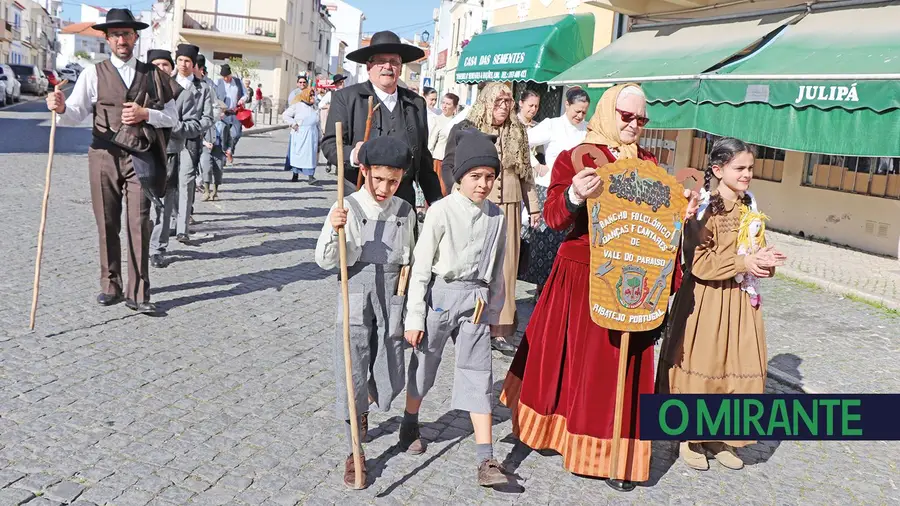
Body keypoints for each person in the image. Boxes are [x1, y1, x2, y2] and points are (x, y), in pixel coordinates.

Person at [500, 83, 700, 492]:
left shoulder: (648, 163)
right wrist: (574, 193)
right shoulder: (577, 157)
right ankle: (552, 432)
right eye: (627, 116)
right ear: (610, 113)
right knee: (570, 360)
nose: (635, 125)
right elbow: (554, 219)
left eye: (642, 119)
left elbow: (660, 226)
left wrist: (682, 211)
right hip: (580, 273)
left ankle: (610, 452)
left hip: (632, 278)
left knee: (615, 367)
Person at [657, 137, 786, 471]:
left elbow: (754, 248)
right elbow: (698, 262)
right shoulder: (704, 208)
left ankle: (718, 435)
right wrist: (745, 263)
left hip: (740, 302)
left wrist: (765, 260)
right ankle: (689, 437)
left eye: (750, 168)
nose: (747, 175)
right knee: (707, 363)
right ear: (717, 169)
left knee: (734, 366)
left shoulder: (750, 208)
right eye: (739, 168)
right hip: (707, 301)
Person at [46, 8, 178, 315]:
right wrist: (60, 106)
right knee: (106, 222)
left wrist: (147, 115)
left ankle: (139, 292)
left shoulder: (154, 75)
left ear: (136, 37)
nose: (122, 39)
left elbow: (172, 117)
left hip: (140, 158)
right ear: (108, 38)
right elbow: (75, 113)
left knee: (139, 223)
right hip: (103, 155)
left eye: (127, 34)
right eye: (116, 34)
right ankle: (111, 285)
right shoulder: (93, 73)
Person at [402, 129, 510, 487]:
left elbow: (497, 271)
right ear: (460, 177)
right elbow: (421, 267)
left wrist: (494, 313)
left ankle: (486, 459)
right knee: (425, 365)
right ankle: (410, 421)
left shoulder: (496, 217)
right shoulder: (441, 212)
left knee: (479, 373)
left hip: (475, 301)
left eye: (489, 177)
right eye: (475, 177)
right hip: (441, 298)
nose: (483, 184)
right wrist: (415, 316)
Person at [315, 136, 417, 489]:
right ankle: (354, 449)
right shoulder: (349, 207)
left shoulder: (405, 212)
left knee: (389, 363)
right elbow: (327, 261)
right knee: (352, 367)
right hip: (356, 293)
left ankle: (371, 399)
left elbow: (411, 262)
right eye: (378, 179)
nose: (384, 188)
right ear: (365, 172)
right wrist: (335, 228)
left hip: (391, 298)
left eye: (392, 181)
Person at [442, 82, 539, 353]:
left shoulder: (517, 130)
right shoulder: (465, 128)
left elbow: (526, 173)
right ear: (486, 102)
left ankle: (500, 327)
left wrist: (535, 207)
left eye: (508, 102)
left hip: (508, 204)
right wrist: (456, 194)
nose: (504, 107)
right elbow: (449, 165)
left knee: (506, 268)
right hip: (475, 204)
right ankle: (467, 318)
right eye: (498, 102)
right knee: (473, 263)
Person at [321, 30, 443, 208]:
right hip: (360, 196)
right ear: (369, 66)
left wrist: (437, 202)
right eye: (380, 61)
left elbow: (423, 157)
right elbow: (330, 145)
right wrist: (355, 155)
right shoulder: (346, 98)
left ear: (400, 68)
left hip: (403, 201)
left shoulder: (416, 102)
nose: (388, 67)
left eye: (394, 62)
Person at [520, 88, 591, 297]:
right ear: (567, 105)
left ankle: (557, 288)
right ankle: (540, 290)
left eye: (584, 113)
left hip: (576, 194)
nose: (579, 116)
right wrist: (536, 163)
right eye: (577, 111)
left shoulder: (587, 130)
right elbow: (523, 141)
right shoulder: (552, 125)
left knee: (565, 243)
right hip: (551, 189)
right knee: (544, 241)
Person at [147, 46, 204, 269]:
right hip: (142, 153)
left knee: (164, 203)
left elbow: (194, 125)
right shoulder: (137, 90)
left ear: (170, 68)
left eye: (165, 64)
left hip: (169, 154)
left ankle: (157, 248)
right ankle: (141, 243)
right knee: (141, 204)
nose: (161, 69)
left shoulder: (181, 93)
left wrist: (171, 124)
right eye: (157, 65)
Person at [283, 88, 320, 183]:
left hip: (312, 135)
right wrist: (293, 124)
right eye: (310, 95)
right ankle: (295, 174)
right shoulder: (297, 106)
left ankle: (311, 177)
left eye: (313, 95)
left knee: (311, 156)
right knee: (298, 155)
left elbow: (317, 123)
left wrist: (320, 136)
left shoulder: (315, 107)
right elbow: (285, 115)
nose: (312, 97)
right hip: (300, 134)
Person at [427, 92, 458, 196]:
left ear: (455, 107)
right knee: (439, 190)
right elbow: (431, 142)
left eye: (448, 104)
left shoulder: (458, 121)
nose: (444, 106)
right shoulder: (437, 120)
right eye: (443, 103)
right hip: (439, 161)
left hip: (454, 161)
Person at [215, 64, 246, 164]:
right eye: (223, 77)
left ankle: (229, 150)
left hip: (236, 112)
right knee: (223, 135)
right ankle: (224, 155)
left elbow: (245, 94)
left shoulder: (238, 82)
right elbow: (214, 98)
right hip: (223, 113)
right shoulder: (218, 83)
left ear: (230, 75)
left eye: (227, 76)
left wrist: (242, 100)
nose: (225, 79)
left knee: (236, 134)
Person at [201, 100, 230, 201]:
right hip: (207, 150)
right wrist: (204, 143)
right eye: (219, 111)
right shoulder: (206, 123)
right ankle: (206, 191)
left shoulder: (224, 125)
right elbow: (198, 136)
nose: (221, 113)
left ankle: (215, 191)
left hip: (219, 150)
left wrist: (229, 150)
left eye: (222, 111)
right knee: (206, 169)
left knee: (218, 171)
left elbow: (229, 139)